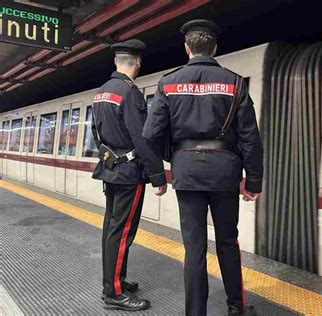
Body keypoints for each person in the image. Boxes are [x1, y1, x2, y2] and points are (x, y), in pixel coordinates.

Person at [143, 19, 263, 316]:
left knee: (194, 247)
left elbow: (150, 134)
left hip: (187, 173)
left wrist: (175, 157)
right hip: (225, 173)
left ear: (187, 48)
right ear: (215, 47)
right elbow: (250, 136)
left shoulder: (168, 83)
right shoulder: (234, 82)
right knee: (227, 241)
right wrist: (254, 181)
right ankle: (236, 306)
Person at [91, 39, 167, 311]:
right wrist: (157, 175)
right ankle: (114, 292)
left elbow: (96, 134)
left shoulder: (101, 92)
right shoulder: (129, 92)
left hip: (110, 169)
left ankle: (116, 281)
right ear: (137, 62)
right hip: (128, 173)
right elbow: (141, 137)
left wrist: (110, 156)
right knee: (122, 232)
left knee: (111, 229)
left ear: (116, 61)